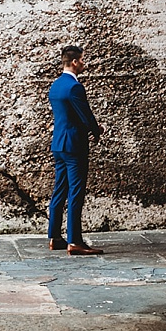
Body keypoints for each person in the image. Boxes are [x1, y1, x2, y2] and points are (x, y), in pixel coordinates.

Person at [46, 44, 104, 255]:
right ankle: (75, 241)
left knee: (59, 190)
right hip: (74, 145)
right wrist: (96, 130)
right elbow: (85, 114)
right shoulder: (74, 87)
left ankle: (54, 237)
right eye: (82, 60)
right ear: (74, 62)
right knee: (76, 193)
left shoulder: (56, 85)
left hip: (59, 144)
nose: (84, 63)